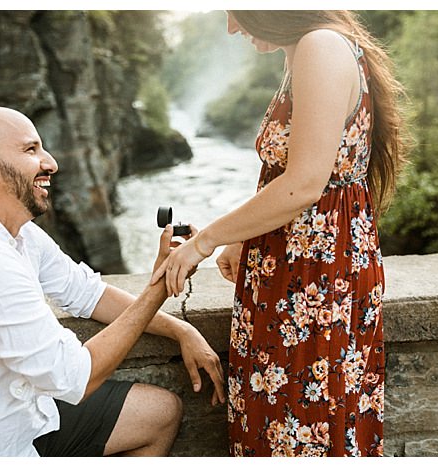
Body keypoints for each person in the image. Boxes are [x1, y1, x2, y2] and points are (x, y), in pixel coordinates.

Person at [0, 106, 225, 457]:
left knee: (158, 413)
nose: (51, 163)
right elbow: (76, 377)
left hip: (20, 418)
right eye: (30, 150)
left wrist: (180, 330)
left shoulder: (18, 233)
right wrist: (159, 287)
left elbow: (88, 293)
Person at [151, 11, 408, 457]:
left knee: (302, 428)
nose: (232, 28)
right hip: (297, 270)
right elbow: (290, 176)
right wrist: (243, 238)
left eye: (236, 12)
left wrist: (204, 241)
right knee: (281, 425)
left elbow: (306, 183)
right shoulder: (304, 50)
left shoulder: (321, 47)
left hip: (316, 280)